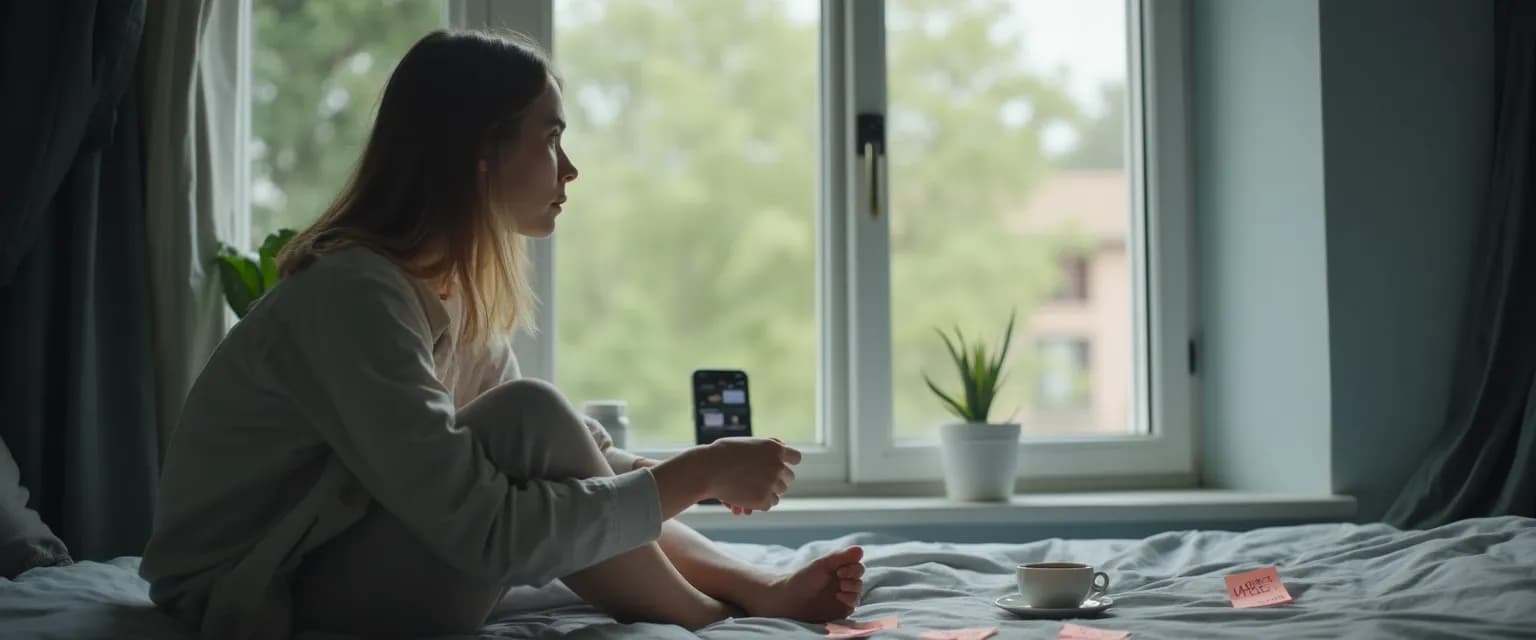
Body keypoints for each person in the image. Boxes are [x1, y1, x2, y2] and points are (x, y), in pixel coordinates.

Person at [139, 29, 865, 639]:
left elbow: (578, 462)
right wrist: (700, 473)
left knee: (538, 424)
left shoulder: (447, 287)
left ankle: (752, 590)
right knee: (532, 418)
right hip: (252, 597)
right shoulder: (353, 297)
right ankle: (711, 620)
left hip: (333, 556)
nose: (570, 168)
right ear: (479, 154)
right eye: (550, 139)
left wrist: (705, 472)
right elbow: (490, 534)